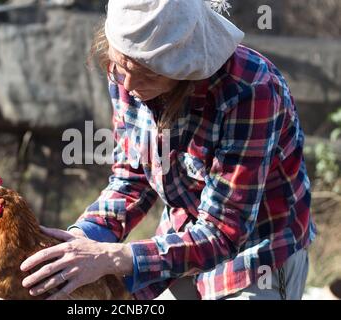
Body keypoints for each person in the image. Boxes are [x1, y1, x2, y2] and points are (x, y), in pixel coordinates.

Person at [19, 0, 316, 300]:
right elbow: (131, 180)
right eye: (121, 65)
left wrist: (111, 258)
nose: (130, 85)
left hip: (258, 250)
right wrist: (84, 238)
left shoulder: (250, 92)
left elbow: (224, 232)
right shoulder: (126, 75)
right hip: (182, 234)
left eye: (149, 73)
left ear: (186, 67)